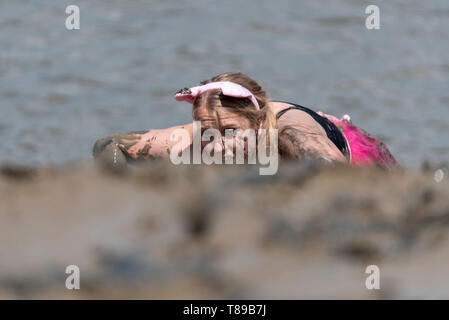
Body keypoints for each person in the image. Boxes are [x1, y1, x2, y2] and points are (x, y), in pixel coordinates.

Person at [92, 72, 400, 170]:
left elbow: (334, 171)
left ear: (255, 123)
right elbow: (109, 145)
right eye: (209, 133)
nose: (218, 144)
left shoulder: (289, 134)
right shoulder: (198, 140)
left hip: (360, 155)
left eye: (230, 132)